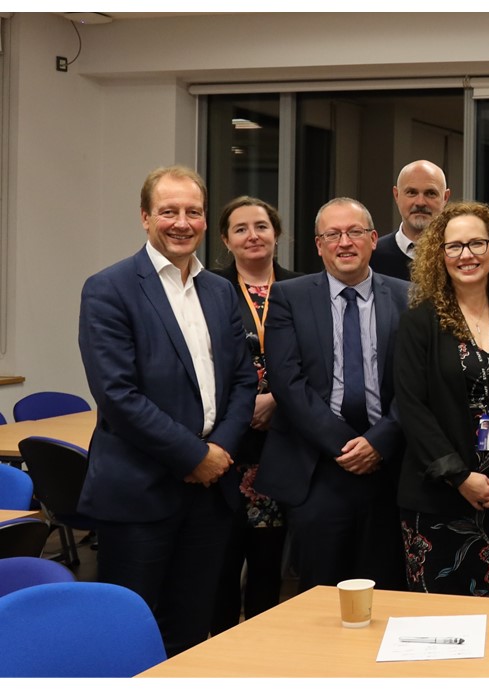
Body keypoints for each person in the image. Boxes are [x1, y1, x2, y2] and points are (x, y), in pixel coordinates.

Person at [77, 166, 257, 656]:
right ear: (144, 217)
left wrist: (218, 450)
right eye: (168, 211)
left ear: (204, 220)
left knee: (189, 631)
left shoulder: (220, 292)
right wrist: (192, 456)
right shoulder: (109, 289)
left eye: (193, 211)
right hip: (140, 493)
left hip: (209, 496)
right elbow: (118, 395)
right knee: (129, 636)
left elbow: (243, 380)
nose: (182, 222)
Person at [255, 198, 410, 592]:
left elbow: (417, 383)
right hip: (317, 466)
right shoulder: (289, 297)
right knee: (319, 593)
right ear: (318, 245)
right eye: (333, 234)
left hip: (389, 465)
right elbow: (288, 382)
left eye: (354, 232)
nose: (345, 242)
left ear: (374, 239)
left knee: (387, 588)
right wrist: (348, 447)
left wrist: (377, 443)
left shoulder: (409, 297)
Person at [394, 201, 489, 597]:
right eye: (455, 246)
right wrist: (459, 477)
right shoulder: (419, 321)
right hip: (438, 500)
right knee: (436, 627)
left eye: (477, 243)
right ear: (439, 255)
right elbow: (412, 407)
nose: (467, 255)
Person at [209, 196, 301, 634]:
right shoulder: (211, 290)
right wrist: (245, 405)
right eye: (241, 228)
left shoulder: (302, 289)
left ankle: (262, 656)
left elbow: (317, 364)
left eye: (261, 226)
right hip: (225, 447)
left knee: (269, 567)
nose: (253, 235)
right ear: (226, 239)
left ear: (277, 233)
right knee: (221, 567)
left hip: (282, 447)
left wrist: (279, 400)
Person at [372, 159, 451, 281]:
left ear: (445, 198)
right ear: (396, 195)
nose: (420, 202)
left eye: (430, 193)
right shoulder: (373, 256)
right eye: (412, 192)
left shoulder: (458, 256)